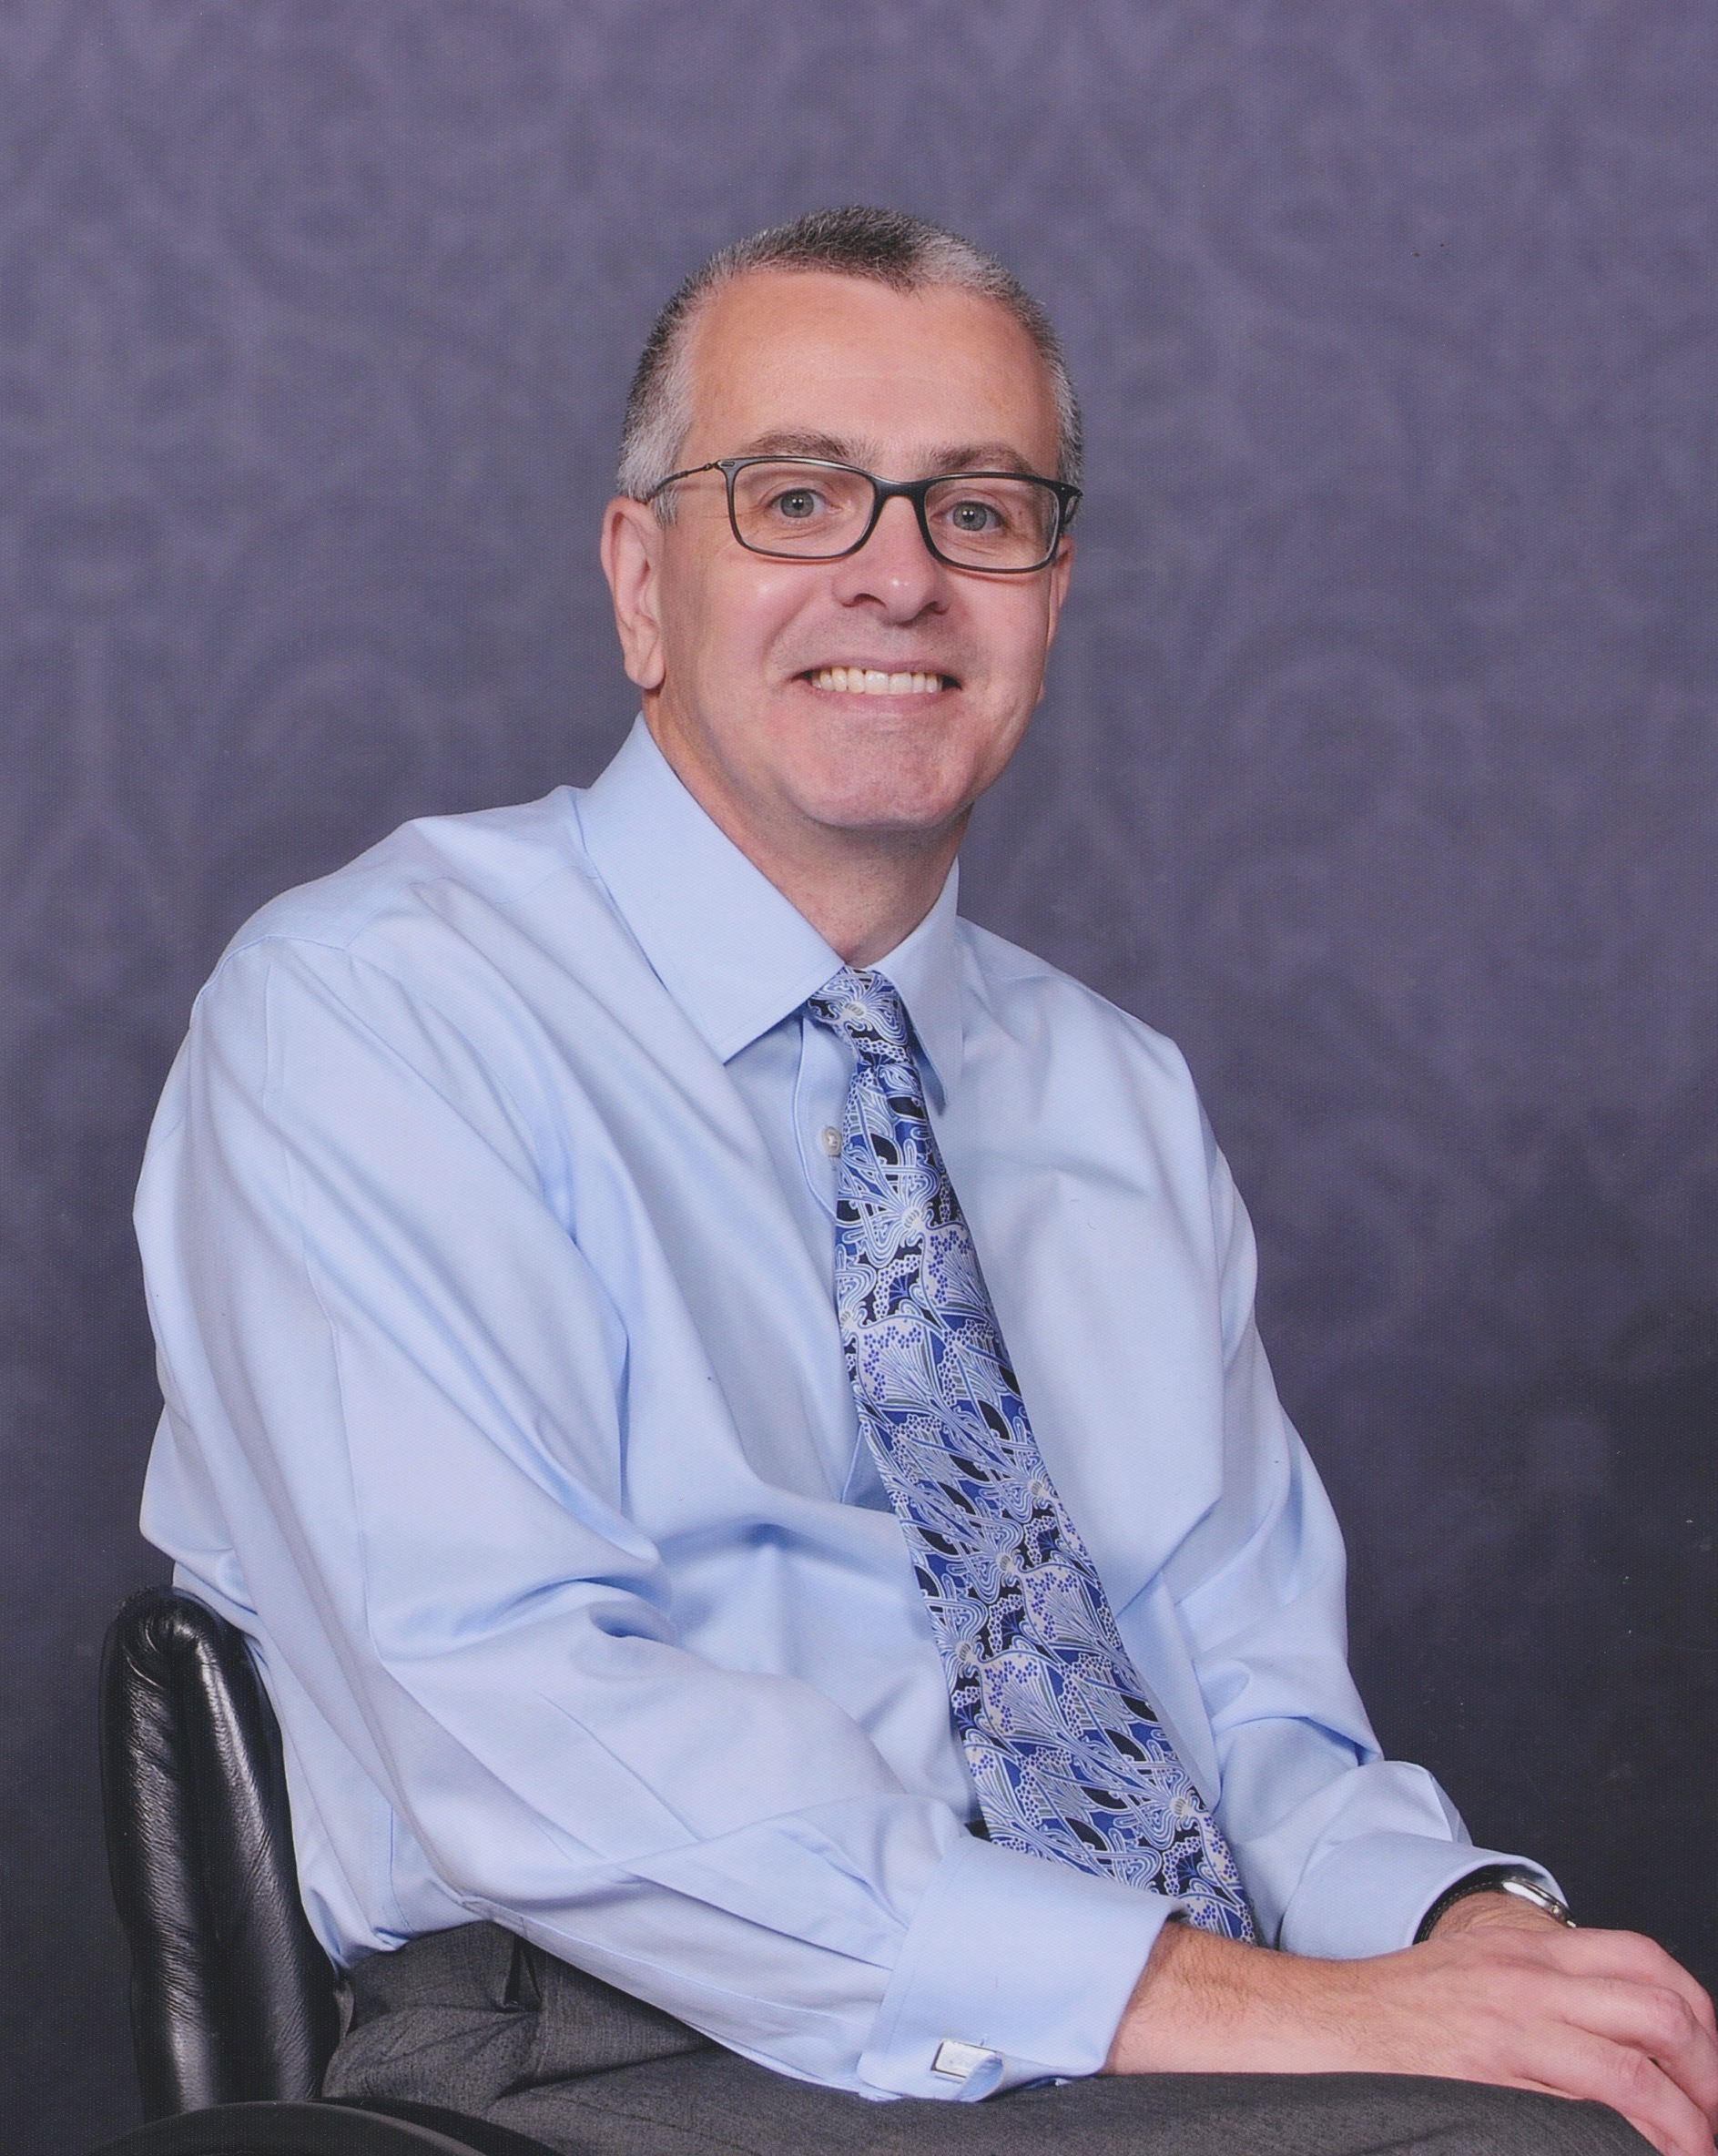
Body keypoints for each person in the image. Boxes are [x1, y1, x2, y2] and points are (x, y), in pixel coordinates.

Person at [134, 208, 1717, 2156]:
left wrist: (1468, 1939)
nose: (896, 575)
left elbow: (1257, 1716)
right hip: (616, 2054)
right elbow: (523, 1740)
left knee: (1620, 2089)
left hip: (1145, 2058)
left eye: (978, 511)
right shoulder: (374, 1012)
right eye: (796, 497)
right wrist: (1261, 2009)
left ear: (1050, 597)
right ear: (642, 581)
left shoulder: (1114, 1097)